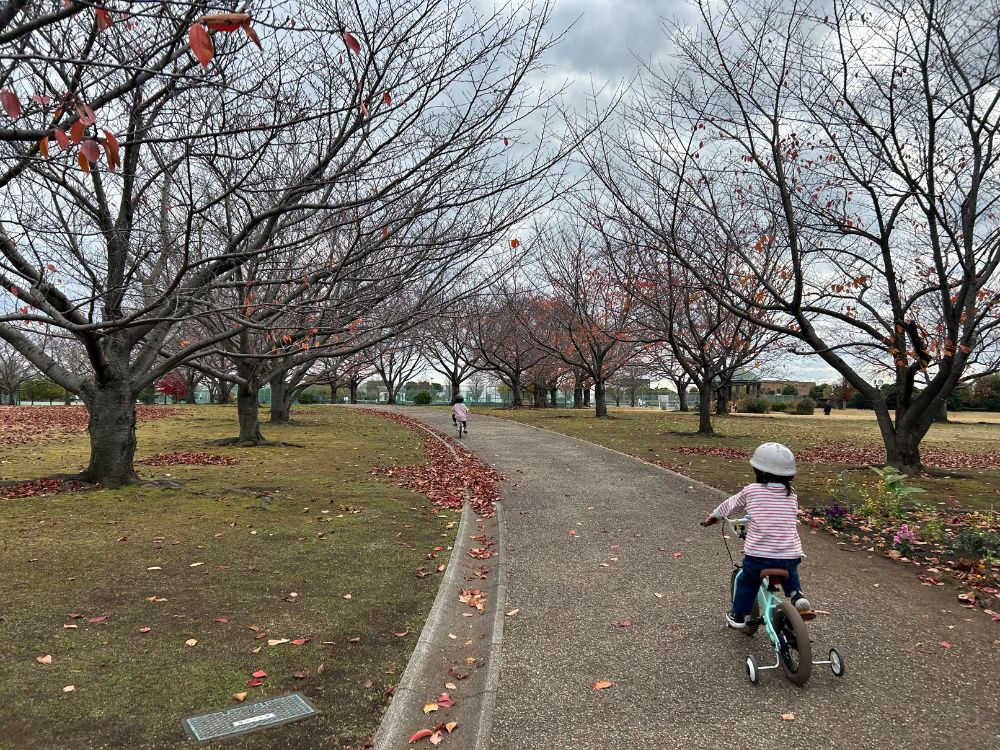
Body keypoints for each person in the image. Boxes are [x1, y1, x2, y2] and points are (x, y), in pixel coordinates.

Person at [701, 442, 812, 629]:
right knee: (790, 571)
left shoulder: (751, 491)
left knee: (748, 581)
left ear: (758, 471)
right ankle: (796, 595)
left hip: (759, 555)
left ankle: (738, 615)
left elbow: (729, 506)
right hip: (789, 554)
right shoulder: (791, 494)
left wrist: (714, 517)